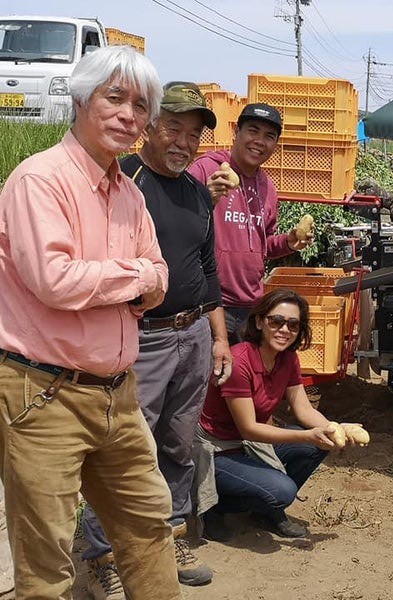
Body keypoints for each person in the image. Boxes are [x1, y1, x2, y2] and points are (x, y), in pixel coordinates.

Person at [0, 45, 182, 599]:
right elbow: (55, 281)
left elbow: (162, 282)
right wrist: (135, 278)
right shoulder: (40, 181)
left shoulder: (130, 193)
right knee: (47, 561)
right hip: (43, 393)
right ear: (82, 99)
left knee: (149, 527)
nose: (131, 115)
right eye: (116, 97)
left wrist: (124, 282)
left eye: (142, 105)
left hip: (117, 394)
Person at [79, 81, 232, 597]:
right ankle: (102, 551)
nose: (183, 141)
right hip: (141, 337)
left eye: (194, 134)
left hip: (191, 332)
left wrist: (218, 338)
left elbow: (207, 268)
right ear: (149, 126)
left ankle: (171, 533)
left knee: (179, 442)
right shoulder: (126, 184)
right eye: (174, 127)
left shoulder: (194, 191)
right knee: (124, 447)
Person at [194, 289, 361, 540]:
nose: (285, 329)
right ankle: (215, 508)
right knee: (283, 490)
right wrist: (308, 436)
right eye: (276, 321)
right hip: (218, 448)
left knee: (317, 446)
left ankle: (265, 512)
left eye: (293, 324)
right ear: (260, 321)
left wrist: (334, 427)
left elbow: (303, 409)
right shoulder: (240, 361)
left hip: (248, 444)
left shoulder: (288, 359)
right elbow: (249, 428)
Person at [188, 104, 312, 342]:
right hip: (211, 303)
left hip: (251, 305)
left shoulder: (268, 188)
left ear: (276, 144)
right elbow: (181, 225)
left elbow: (263, 245)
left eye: (269, 136)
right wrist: (206, 199)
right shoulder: (207, 169)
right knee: (213, 375)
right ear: (237, 131)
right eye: (253, 131)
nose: (259, 141)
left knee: (243, 376)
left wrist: (289, 241)